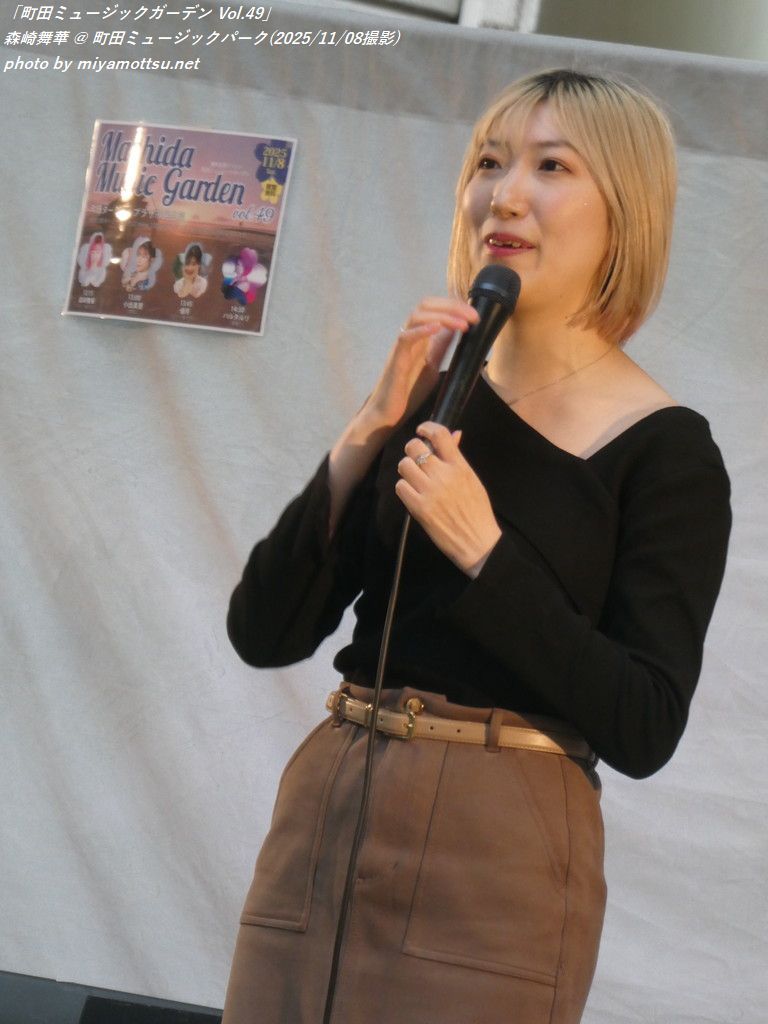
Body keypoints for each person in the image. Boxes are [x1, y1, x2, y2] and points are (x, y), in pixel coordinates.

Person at [221, 69, 731, 1024]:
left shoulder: (667, 451)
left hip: (497, 862)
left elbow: (645, 722)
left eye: (551, 167)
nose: (505, 194)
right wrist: (370, 426)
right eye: (490, 162)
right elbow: (265, 631)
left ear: (625, 212)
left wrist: (487, 555)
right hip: (328, 819)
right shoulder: (435, 398)